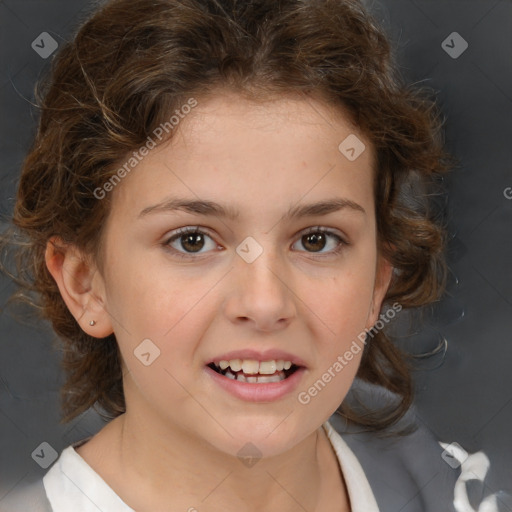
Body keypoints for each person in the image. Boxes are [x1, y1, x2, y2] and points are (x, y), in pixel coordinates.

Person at [0, 0, 495, 510]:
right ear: (86, 284)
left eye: (316, 239)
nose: (264, 304)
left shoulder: (442, 483)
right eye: (192, 240)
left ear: (377, 282)